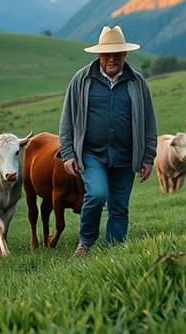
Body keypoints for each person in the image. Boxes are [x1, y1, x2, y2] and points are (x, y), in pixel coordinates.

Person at [59, 25, 158, 257]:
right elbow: (68, 117)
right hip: (91, 153)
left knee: (119, 207)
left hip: (126, 155)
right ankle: (86, 241)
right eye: (107, 55)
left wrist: (148, 156)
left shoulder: (137, 82)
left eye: (117, 55)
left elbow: (148, 120)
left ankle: (112, 250)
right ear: (99, 55)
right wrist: (67, 152)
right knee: (97, 194)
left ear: (125, 55)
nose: (112, 59)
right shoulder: (81, 80)